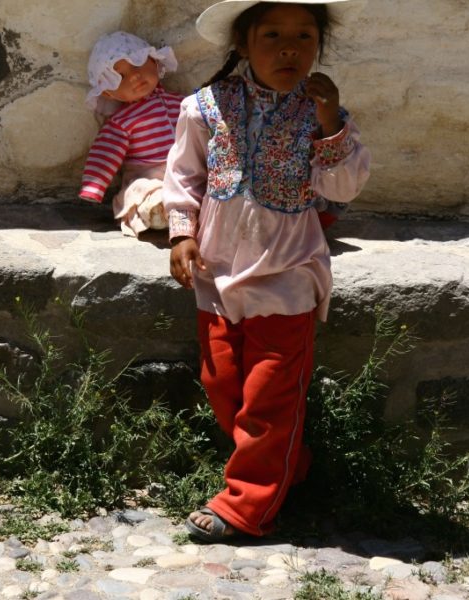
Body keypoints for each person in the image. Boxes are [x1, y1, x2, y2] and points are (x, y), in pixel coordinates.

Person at [163, 0, 371, 542]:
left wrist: (330, 123)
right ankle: (286, 466)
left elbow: (343, 187)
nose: (289, 48)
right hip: (218, 276)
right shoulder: (205, 107)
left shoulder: (321, 114)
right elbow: (184, 175)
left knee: (269, 397)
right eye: (273, 35)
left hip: (286, 277)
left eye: (304, 37)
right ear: (241, 44)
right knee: (222, 383)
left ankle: (247, 506)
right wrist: (182, 233)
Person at [79, 31, 184, 237]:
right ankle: (157, 210)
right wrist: (94, 186)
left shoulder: (181, 102)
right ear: (109, 92)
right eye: (121, 76)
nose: (135, 76)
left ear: (154, 61)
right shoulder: (122, 122)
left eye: (137, 64)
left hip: (185, 170)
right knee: (144, 190)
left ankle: (191, 209)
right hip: (149, 174)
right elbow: (105, 153)